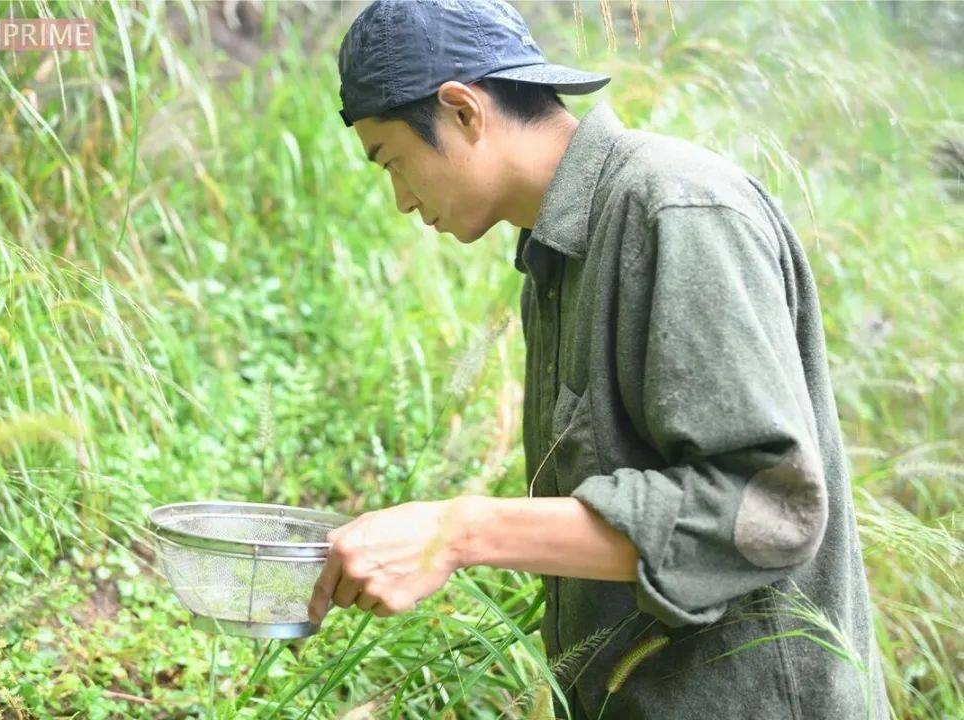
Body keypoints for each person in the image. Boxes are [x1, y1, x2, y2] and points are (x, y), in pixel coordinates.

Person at [307, 1, 891, 718]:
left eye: (393, 160)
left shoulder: (676, 210)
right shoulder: (557, 251)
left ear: (462, 110)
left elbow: (769, 510)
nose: (399, 199)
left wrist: (459, 532)